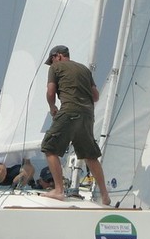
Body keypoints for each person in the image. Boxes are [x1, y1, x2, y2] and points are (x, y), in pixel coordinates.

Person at [39, 45, 110, 205]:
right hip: (87, 114)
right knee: (90, 155)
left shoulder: (56, 67)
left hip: (69, 111)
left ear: (57, 56)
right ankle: (105, 195)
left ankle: (58, 190)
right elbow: (96, 96)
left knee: (49, 148)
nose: (51, 64)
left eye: (51, 60)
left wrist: (52, 108)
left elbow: (50, 92)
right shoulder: (84, 69)